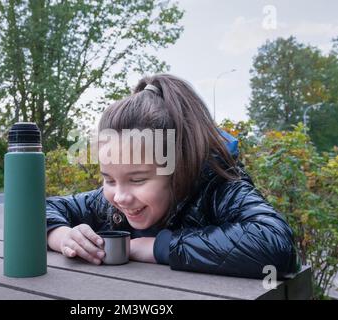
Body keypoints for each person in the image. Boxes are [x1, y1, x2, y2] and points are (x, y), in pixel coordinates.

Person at [46, 74, 300, 279]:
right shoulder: (109, 201)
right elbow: (35, 210)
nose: (120, 197)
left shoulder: (220, 189)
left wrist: (156, 247)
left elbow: (276, 245)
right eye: (109, 179)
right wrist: (60, 235)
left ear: (178, 167)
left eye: (138, 180)